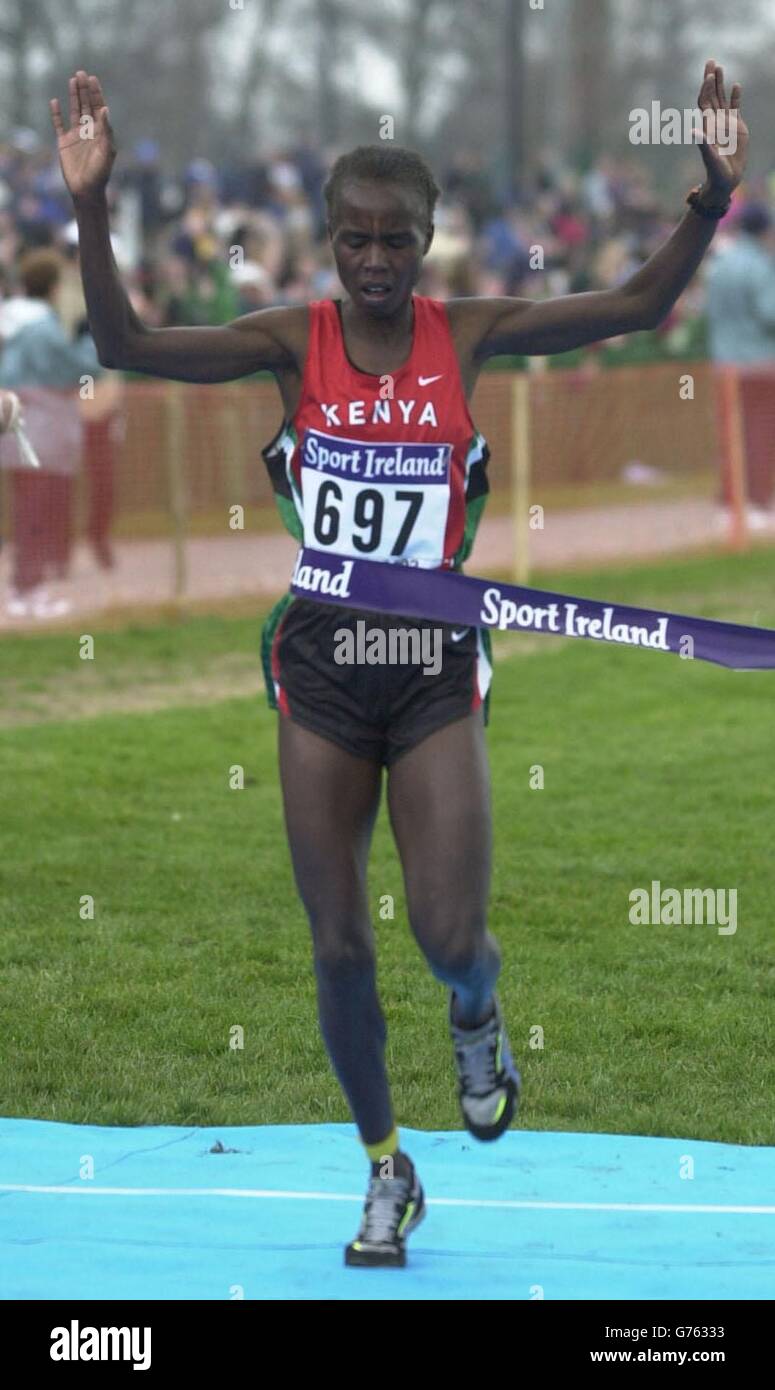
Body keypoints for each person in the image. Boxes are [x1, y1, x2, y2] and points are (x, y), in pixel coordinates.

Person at [50, 62, 747, 1267]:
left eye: (397, 241)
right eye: (354, 240)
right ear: (327, 242)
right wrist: (94, 204)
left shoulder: (463, 334)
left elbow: (633, 309)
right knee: (336, 942)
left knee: (444, 934)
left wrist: (710, 197)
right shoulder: (289, 341)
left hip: (433, 667)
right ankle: (385, 1168)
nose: (375, 261)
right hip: (319, 664)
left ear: (429, 244)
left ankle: (477, 1016)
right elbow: (120, 340)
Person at [0, 247, 103, 618]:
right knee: (37, 512)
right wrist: (88, 338)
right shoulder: (41, 326)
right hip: (41, 433)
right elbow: (78, 370)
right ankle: (29, 589)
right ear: (54, 287)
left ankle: (25, 586)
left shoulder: (10, 320)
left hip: (16, 430)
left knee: (27, 510)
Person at [704, 201, 775, 527]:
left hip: (724, 364)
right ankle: (758, 506)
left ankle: (729, 505)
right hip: (758, 365)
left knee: (731, 436)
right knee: (761, 436)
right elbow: (769, 313)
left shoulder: (720, 263)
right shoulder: (759, 264)